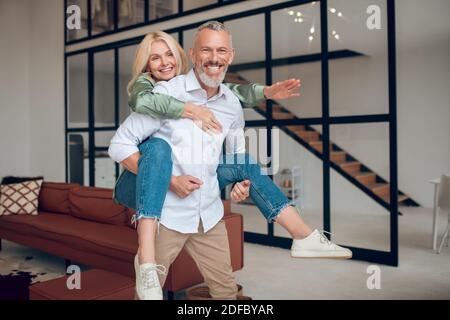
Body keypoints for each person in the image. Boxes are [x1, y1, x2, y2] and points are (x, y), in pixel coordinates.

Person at [109, 22, 352, 300]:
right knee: (148, 295)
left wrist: (243, 185)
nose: (214, 57)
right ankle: (149, 265)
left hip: (209, 216)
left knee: (226, 292)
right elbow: (120, 145)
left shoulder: (231, 103)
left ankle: (303, 237)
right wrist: (171, 181)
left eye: (221, 50)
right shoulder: (164, 94)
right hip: (167, 216)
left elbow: (235, 158)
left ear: (231, 55)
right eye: (207, 50)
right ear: (193, 53)